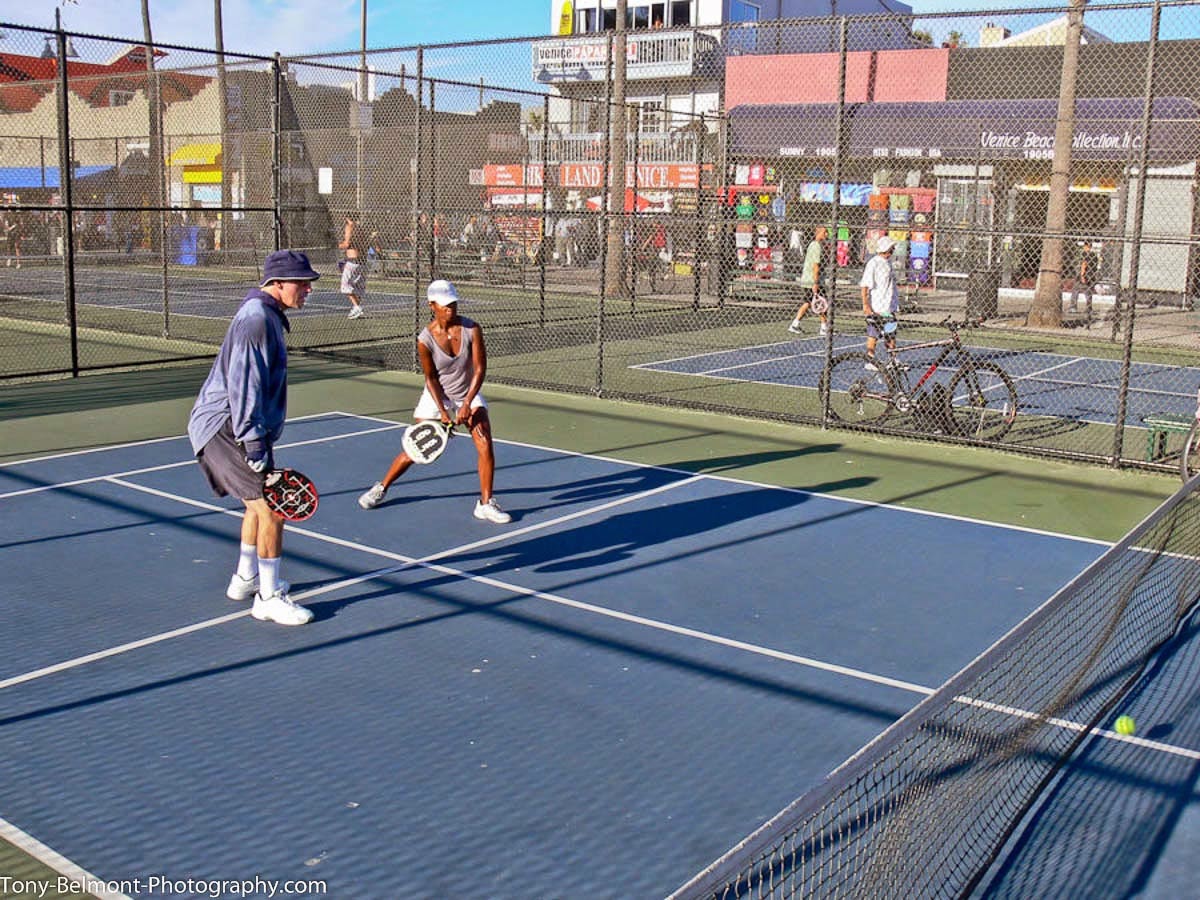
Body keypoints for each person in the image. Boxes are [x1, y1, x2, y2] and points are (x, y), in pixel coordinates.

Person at [187, 250, 321, 626]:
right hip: (229, 428)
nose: (307, 289)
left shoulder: (268, 316)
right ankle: (268, 596)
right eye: (301, 283)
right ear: (276, 284)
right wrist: (254, 442)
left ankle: (246, 578)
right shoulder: (257, 320)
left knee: (254, 504)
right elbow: (244, 384)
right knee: (272, 508)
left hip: (241, 426)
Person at [358, 279, 512, 524]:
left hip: (467, 393)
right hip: (437, 395)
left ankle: (485, 504)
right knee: (417, 449)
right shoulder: (425, 339)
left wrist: (466, 404)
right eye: (445, 305)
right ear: (432, 305)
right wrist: (442, 411)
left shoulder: (472, 329)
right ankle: (381, 488)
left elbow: (480, 368)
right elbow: (430, 378)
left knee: (485, 444)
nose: (451, 308)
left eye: (453, 303)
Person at [859, 235, 900, 369]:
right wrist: (866, 305)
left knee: (891, 334)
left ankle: (893, 360)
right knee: (873, 334)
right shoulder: (874, 263)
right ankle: (870, 360)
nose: (893, 250)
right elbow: (865, 285)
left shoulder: (888, 263)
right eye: (891, 248)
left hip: (889, 307)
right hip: (877, 307)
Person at [788, 226, 831, 336]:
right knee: (821, 303)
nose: (827, 234)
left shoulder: (814, 245)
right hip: (812, 280)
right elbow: (815, 266)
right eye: (825, 232)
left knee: (807, 303)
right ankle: (823, 328)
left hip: (808, 279)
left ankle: (795, 324)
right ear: (819, 232)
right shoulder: (816, 246)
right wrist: (815, 283)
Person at [339, 214, 376, 319]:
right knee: (358, 287)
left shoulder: (349, 227)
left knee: (345, 285)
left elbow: (347, 244)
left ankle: (357, 307)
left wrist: (337, 245)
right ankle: (356, 309)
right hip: (363, 262)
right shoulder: (362, 229)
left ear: (347, 218)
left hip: (353, 261)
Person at [1068, 241, 1099, 316]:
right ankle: (1088, 308)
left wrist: (1082, 275)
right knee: (1088, 292)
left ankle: (1073, 307)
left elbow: (1083, 265)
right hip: (1089, 276)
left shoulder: (1084, 254)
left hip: (1083, 275)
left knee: (1076, 290)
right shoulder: (1093, 255)